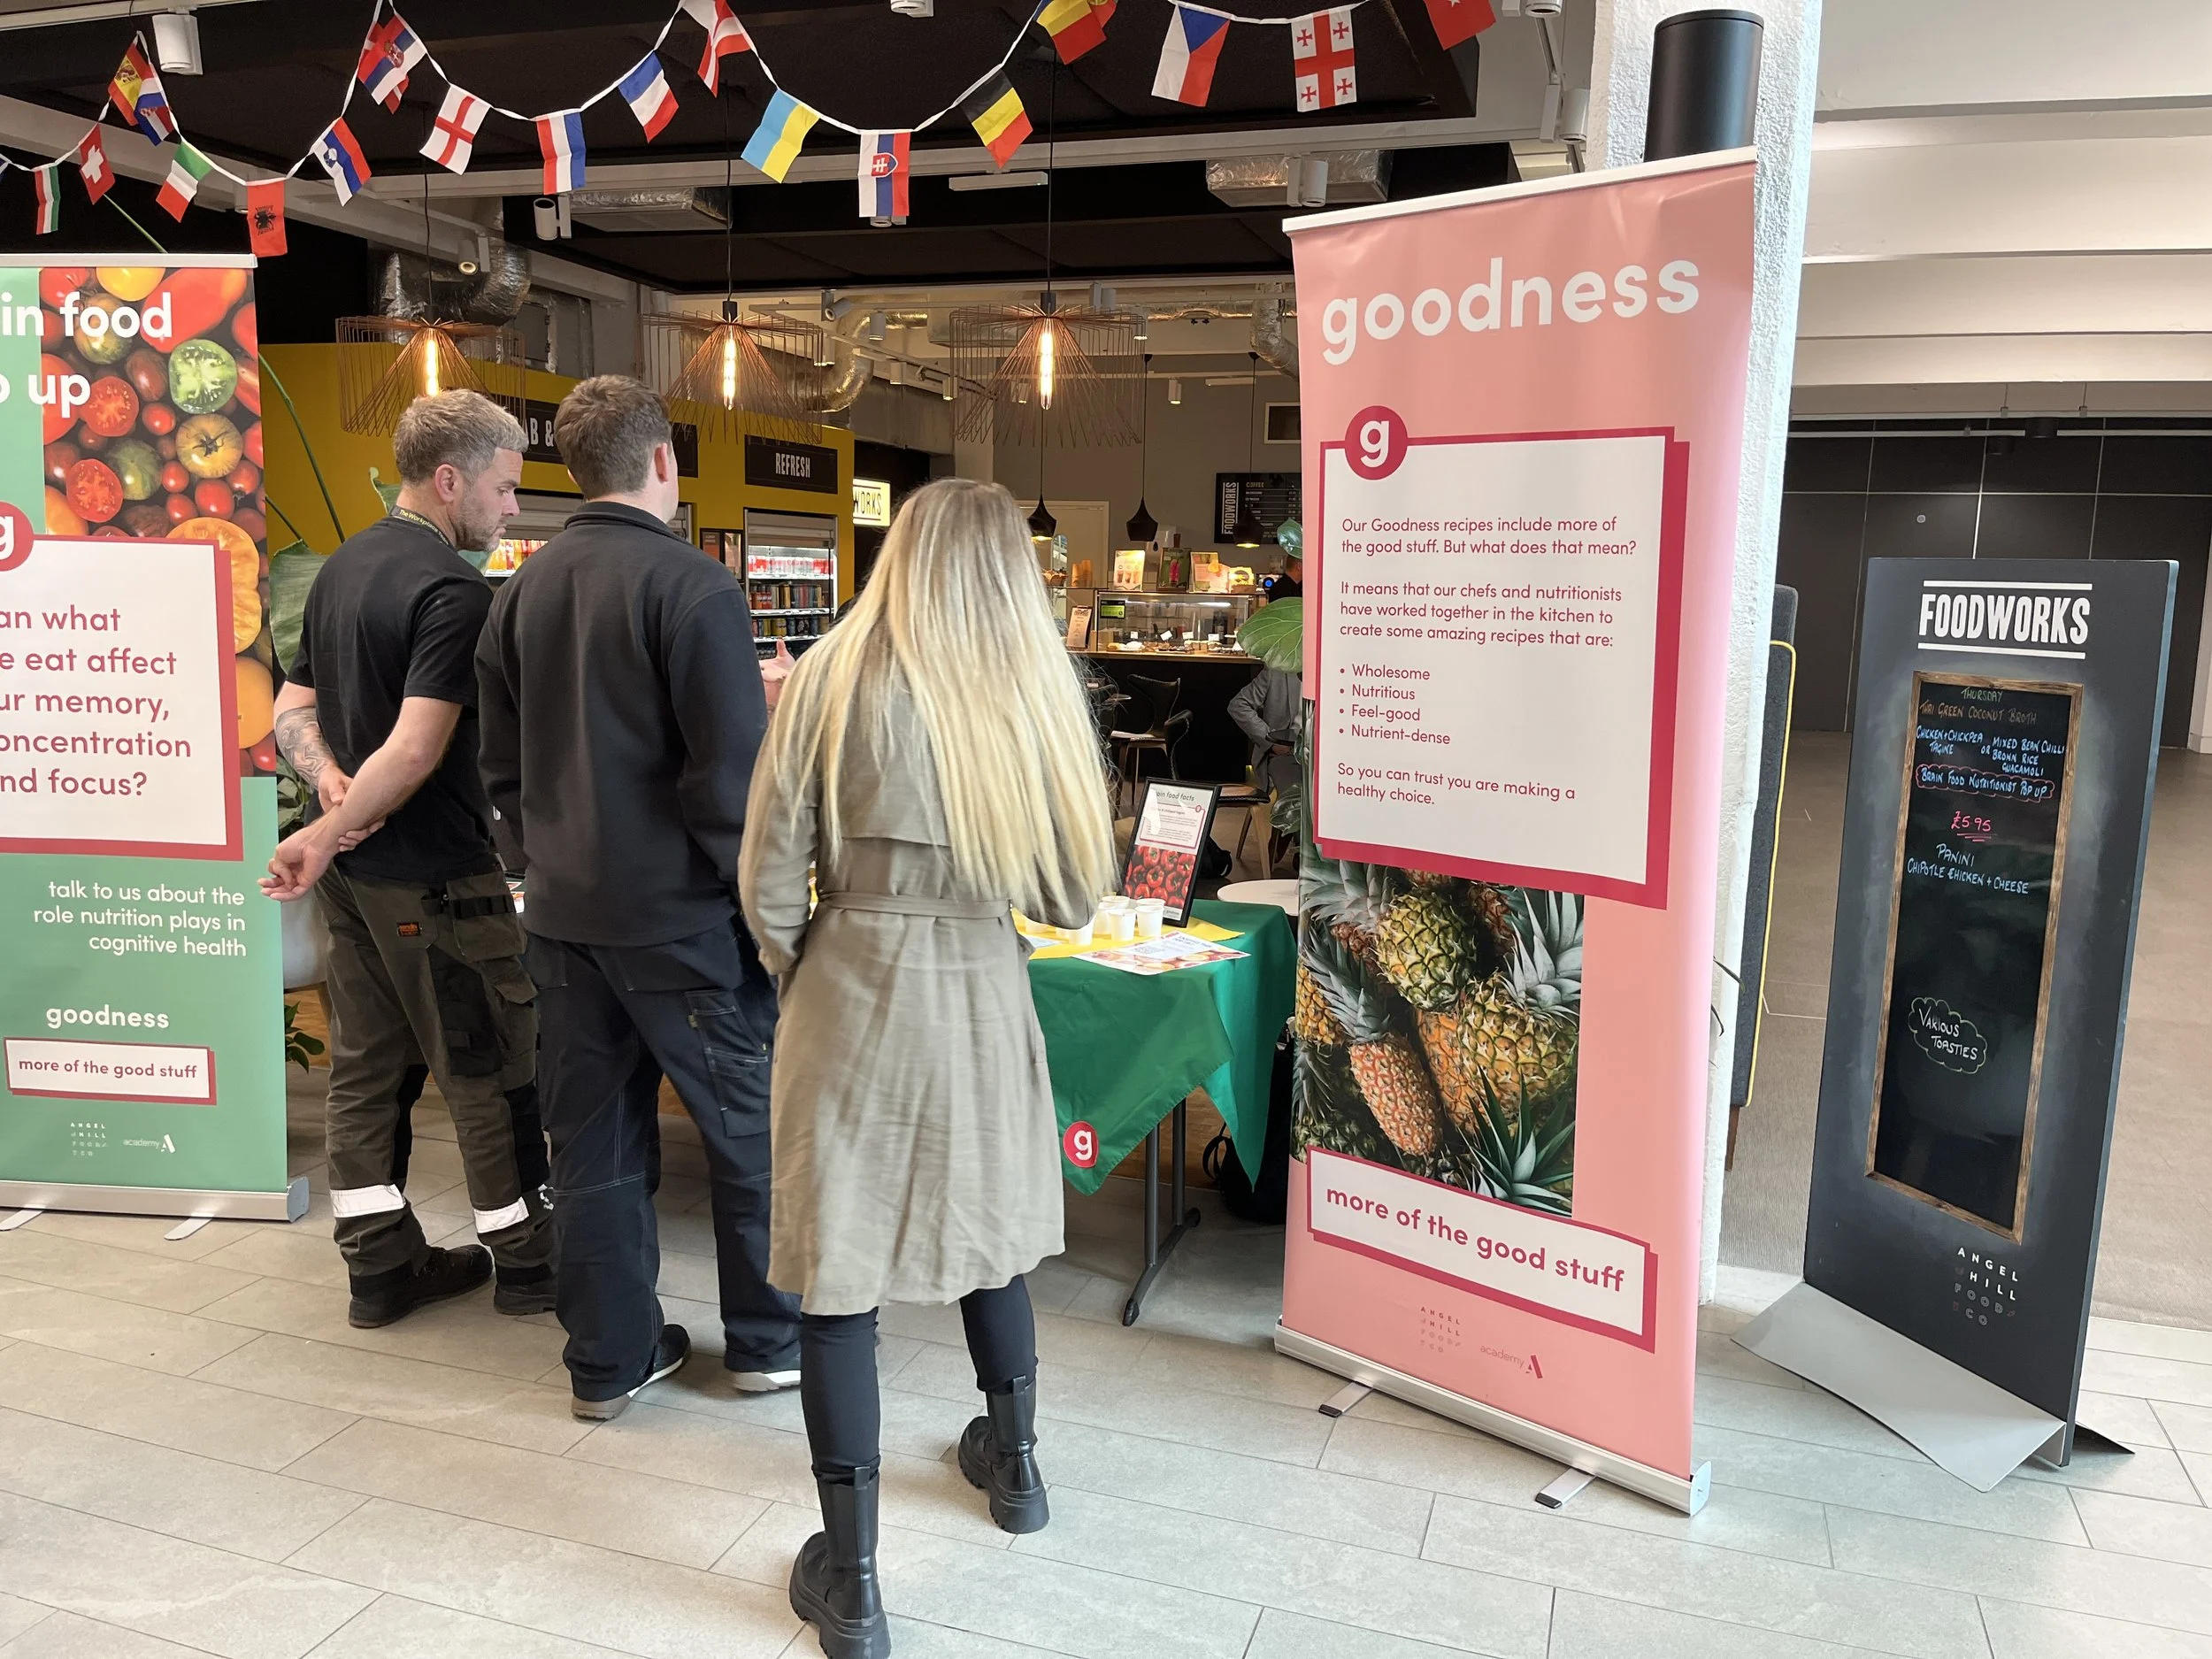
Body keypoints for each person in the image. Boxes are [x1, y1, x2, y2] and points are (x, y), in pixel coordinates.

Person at [741, 477, 1116, 1659]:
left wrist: (822, 961)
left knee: (836, 1275)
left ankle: (850, 1585)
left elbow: (764, 880)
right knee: (988, 1234)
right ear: (1014, 572)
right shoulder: (1036, 694)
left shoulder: (830, 675)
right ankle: (1017, 1470)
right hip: (980, 991)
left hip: (848, 986)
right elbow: (1069, 894)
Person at [474, 375, 801, 1422]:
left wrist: (537, 866)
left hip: (563, 921)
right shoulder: (695, 588)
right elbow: (727, 777)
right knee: (744, 1128)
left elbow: (499, 768)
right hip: (685, 920)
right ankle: (767, 1341)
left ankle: (608, 1359)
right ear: (664, 461)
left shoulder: (518, 592)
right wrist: (758, 903)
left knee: (593, 1141)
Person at [261, 390, 554, 1330]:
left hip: (354, 881)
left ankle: (379, 1267)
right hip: (435, 877)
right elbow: (420, 748)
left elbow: (289, 711)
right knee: (486, 1066)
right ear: (449, 479)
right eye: (505, 490)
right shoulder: (455, 592)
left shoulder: (342, 568)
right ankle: (528, 1261)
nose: (511, 511)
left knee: (368, 1067)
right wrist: (329, 823)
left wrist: (331, 800)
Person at [1228, 663, 1302, 801]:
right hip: (1288, 755)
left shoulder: (1339, 673)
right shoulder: (1278, 670)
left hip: (1330, 758)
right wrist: (1270, 741)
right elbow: (1238, 705)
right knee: (1293, 802)